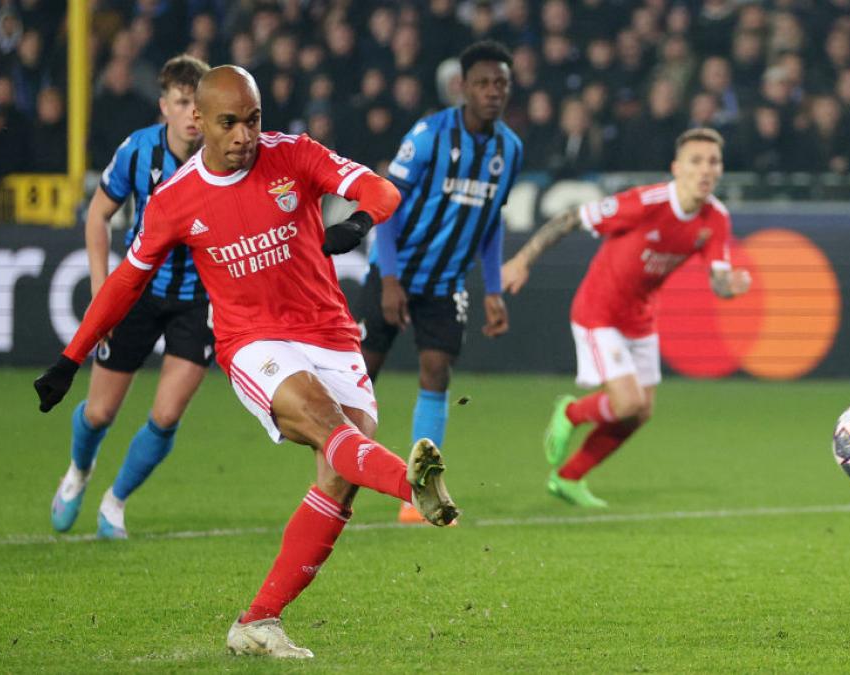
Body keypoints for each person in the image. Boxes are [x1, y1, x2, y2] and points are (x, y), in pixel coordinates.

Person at [34, 65, 459, 658]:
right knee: (325, 423)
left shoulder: (294, 155)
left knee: (339, 480)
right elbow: (125, 284)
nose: (243, 135)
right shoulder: (175, 200)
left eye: (253, 120)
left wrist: (357, 222)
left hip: (331, 334)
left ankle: (259, 621)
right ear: (200, 122)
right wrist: (69, 358)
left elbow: (382, 190)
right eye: (229, 123)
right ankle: (409, 484)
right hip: (253, 343)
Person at [501, 127, 752, 507]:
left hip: (641, 318)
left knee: (639, 413)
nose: (705, 170)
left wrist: (731, 285)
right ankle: (570, 411)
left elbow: (718, 281)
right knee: (628, 403)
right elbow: (572, 218)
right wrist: (522, 259)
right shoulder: (645, 202)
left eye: (713, 162)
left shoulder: (715, 218)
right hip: (599, 312)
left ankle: (568, 478)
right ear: (677, 168)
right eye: (696, 161)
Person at [359, 40, 522, 524]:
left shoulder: (508, 149)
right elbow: (386, 204)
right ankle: (339, 473)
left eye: (501, 84)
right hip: (395, 271)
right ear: (463, 88)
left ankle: (417, 493)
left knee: (437, 371)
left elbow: (491, 223)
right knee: (361, 376)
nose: (493, 92)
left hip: (445, 282)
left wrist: (492, 288)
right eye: (484, 83)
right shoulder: (430, 135)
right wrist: (389, 278)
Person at [49, 55, 211, 540]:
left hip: (199, 302)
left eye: (198, 104)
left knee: (165, 416)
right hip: (138, 291)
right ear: (164, 107)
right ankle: (79, 472)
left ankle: (115, 502)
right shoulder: (138, 151)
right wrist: (103, 291)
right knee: (99, 412)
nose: (192, 114)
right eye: (182, 103)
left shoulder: (224, 158)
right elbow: (97, 214)